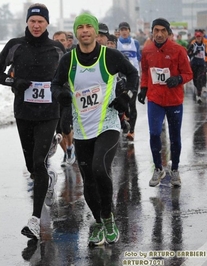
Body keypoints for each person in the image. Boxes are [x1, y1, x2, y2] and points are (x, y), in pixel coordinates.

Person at [51, 13, 139, 246]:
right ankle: (99, 222)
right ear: (76, 32)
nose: (85, 31)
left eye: (89, 26)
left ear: (95, 33)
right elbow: (56, 84)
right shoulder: (68, 60)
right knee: (88, 178)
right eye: (80, 27)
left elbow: (133, 74)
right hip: (81, 129)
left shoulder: (110, 55)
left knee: (100, 169)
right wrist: (62, 98)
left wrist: (126, 96)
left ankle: (109, 218)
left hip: (107, 124)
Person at [0, 3, 66, 240]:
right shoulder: (15, 46)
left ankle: (34, 220)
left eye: (40, 22)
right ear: (27, 22)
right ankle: (47, 178)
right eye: (32, 21)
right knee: (32, 167)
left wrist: (63, 97)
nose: (36, 25)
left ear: (47, 24)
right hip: (23, 113)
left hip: (49, 113)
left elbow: (67, 78)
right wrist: (13, 82)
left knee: (38, 160)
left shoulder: (57, 48)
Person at [138, 18, 193, 188]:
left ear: (168, 32)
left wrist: (178, 79)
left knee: (175, 137)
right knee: (154, 133)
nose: (159, 34)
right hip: (155, 99)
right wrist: (144, 88)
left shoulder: (178, 50)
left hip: (174, 100)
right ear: (152, 32)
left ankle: (174, 169)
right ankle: (158, 168)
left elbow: (188, 74)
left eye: (163, 31)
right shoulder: (147, 50)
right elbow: (146, 72)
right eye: (156, 30)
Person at [52, 31, 76, 167]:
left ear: (67, 42)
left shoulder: (71, 57)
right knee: (58, 131)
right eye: (56, 40)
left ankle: (70, 147)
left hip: (68, 95)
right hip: (54, 96)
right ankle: (67, 153)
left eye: (62, 40)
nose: (59, 43)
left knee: (65, 126)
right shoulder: (48, 57)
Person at [117, 21, 141, 141]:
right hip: (121, 76)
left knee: (132, 103)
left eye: (126, 29)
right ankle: (124, 122)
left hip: (134, 76)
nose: (124, 32)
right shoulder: (117, 43)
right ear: (119, 32)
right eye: (122, 30)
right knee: (123, 102)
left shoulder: (135, 43)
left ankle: (132, 130)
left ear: (129, 31)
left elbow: (139, 59)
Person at [187, 30, 207, 104]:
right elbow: (188, 54)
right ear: (195, 37)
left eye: (200, 37)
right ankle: (197, 91)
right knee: (195, 80)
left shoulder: (203, 45)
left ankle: (199, 96)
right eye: (197, 37)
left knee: (200, 79)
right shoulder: (193, 45)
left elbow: (204, 53)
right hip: (194, 64)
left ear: (201, 37)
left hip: (201, 64)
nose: (198, 38)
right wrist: (194, 53)